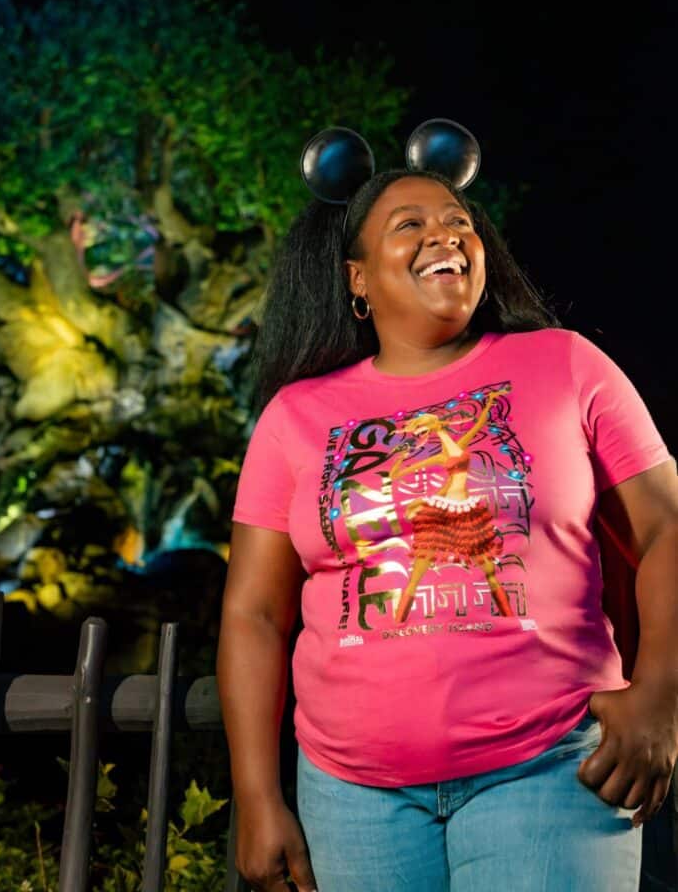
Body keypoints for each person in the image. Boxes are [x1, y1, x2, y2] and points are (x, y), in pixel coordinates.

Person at [217, 121, 678, 892]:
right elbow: (253, 615)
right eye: (411, 224)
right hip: (351, 797)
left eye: (458, 222)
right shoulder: (295, 417)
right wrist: (259, 798)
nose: (446, 235)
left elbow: (665, 527)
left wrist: (660, 696)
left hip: (549, 770)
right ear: (356, 278)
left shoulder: (563, 363)